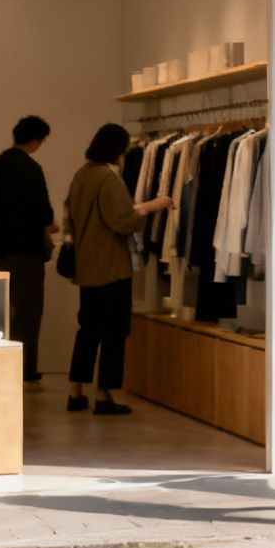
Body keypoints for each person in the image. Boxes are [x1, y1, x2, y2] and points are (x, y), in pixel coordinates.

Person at [63, 124, 172, 415]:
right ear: (118, 149)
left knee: (87, 331)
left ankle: (75, 392)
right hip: (111, 267)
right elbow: (122, 220)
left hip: (86, 268)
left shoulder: (81, 175)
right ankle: (105, 395)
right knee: (113, 332)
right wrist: (151, 207)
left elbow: (69, 218)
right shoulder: (108, 178)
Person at [0, 115, 56, 383]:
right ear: (36, 140)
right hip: (29, 251)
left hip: (0, 249)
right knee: (29, 313)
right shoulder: (32, 169)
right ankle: (25, 369)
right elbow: (44, 213)